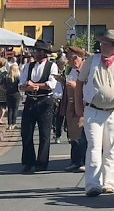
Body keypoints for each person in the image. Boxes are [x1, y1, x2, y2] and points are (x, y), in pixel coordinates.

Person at [75, 30, 114, 197]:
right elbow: (79, 83)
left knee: (111, 148)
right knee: (94, 147)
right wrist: (78, 108)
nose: (102, 46)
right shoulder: (92, 61)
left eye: (106, 44)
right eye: (101, 43)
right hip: (93, 110)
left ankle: (108, 183)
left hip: (113, 112)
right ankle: (92, 184)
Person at [18, 40, 59, 173]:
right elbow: (21, 85)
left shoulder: (52, 66)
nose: (33, 53)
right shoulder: (29, 66)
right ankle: (28, 162)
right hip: (30, 101)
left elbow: (52, 84)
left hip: (45, 101)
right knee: (26, 132)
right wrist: (27, 86)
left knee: (44, 134)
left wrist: (37, 86)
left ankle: (42, 163)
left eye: (36, 50)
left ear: (43, 53)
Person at [63, 46, 88, 173]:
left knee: (81, 135)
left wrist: (76, 85)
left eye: (69, 57)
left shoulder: (85, 70)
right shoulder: (72, 71)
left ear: (76, 58)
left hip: (82, 105)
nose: (67, 60)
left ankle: (82, 161)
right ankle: (75, 161)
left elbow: (90, 88)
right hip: (71, 105)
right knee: (73, 135)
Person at [5, 63, 21, 130]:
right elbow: (20, 86)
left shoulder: (7, 77)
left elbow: (4, 86)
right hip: (16, 94)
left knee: (10, 109)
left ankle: (9, 125)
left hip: (8, 93)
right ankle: (14, 124)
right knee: (15, 109)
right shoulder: (17, 77)